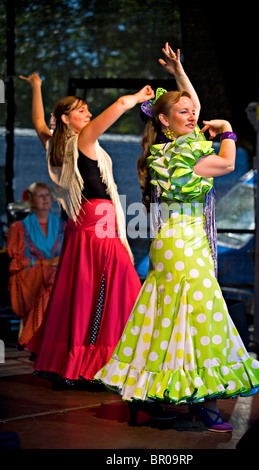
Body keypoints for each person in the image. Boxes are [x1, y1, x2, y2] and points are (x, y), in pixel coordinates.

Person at [94, 43, 259, 431]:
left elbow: (190, 103)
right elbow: (226, 162)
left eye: (194, 112)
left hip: (175, 244)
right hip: (184, 247)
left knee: (166, 320)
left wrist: (178, 71)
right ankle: (200, 403)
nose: (193, 115)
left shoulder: (165, 151)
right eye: (184, 113)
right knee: (198, 322)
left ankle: (144, 396)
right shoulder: (178, 155)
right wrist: (226, 129)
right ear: (163, 119)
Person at [20, 71, 155, 388]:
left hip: (80, 225)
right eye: (82, 110)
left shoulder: (56, 145)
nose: (89, 114)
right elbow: (121, 103)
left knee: (83, 294)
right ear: (66, 119)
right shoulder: (82, 140)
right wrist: (137, 98)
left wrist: (37, 87)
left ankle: (80, 362)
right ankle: (103, 363)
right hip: (99, 224)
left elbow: (40, 123)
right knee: (118, 292)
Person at [7, 182, 65, 348]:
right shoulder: (19, 228)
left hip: (55, 273)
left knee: (58, 278)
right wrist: (45, 262)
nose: (45, 199)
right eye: (40, 196)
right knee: (51, 277)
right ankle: (36, 337)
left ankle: (48, 336)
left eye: (47, 195)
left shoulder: (62, 226)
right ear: (32, 201)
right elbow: (17, 262)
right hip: (30, 275)